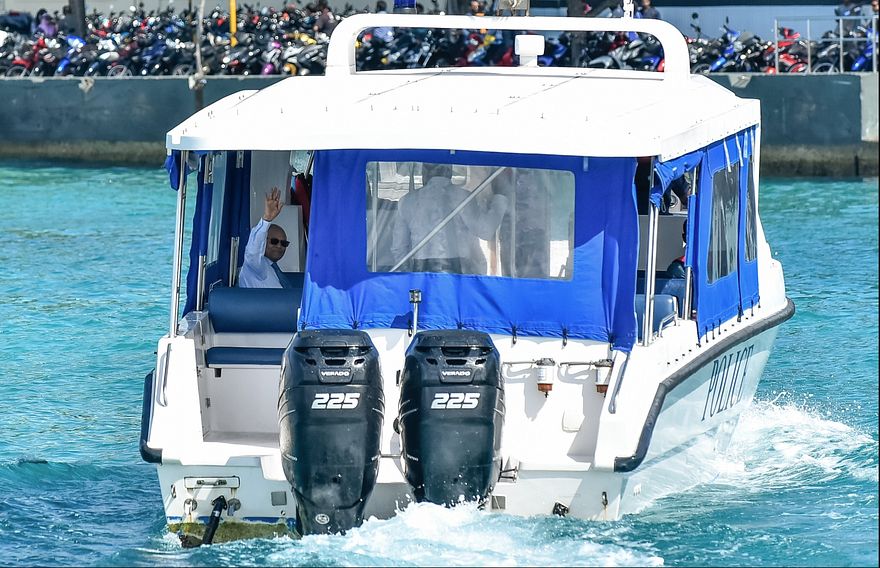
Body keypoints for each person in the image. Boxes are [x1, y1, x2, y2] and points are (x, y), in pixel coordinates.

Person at [391, 163, 509, 274]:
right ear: (449, 170)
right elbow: (485, 230)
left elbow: (399, 248)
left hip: (421, 273)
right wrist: (500, 197)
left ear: (424, 171)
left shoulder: (407, 201)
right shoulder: (463, 197)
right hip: (459, 273)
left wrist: (408, 278)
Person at [239, 187, 295, 288]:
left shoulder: (273, 269)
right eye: (274, 241)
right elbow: (253, 252)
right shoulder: (256, 266)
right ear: (263, 241)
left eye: (284, 243)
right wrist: (266, 219)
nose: (279, 246)